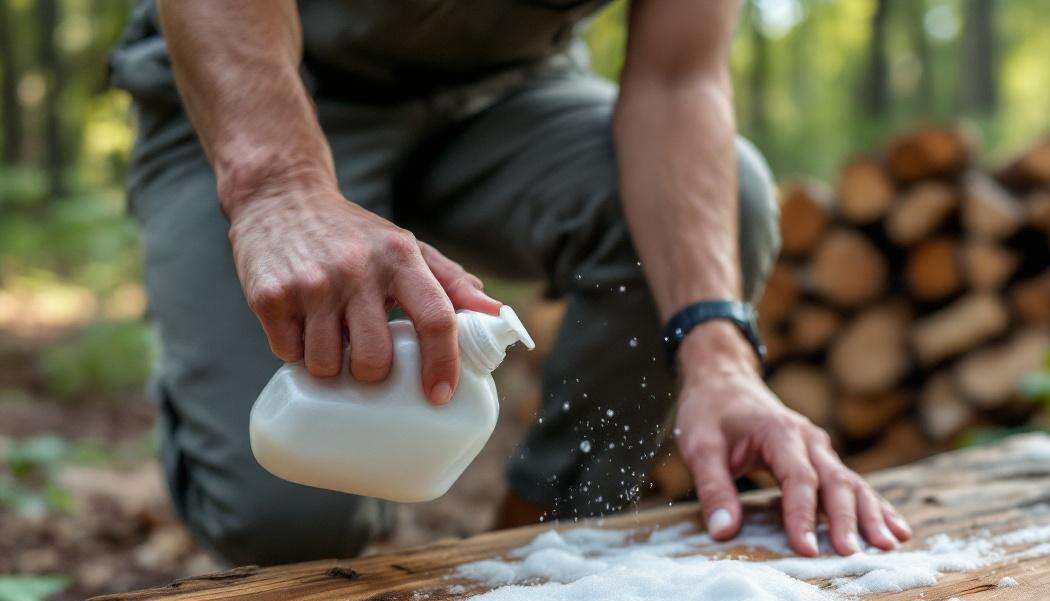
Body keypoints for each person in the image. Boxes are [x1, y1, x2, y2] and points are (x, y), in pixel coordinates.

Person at [109, 0, 913, 567]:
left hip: (506, 102)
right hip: (260, 78)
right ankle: (200, 370)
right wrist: (276, 187)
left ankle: (541, 552)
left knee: (726, 195)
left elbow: (679, 81)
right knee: (286, 517)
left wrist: (720, 356)